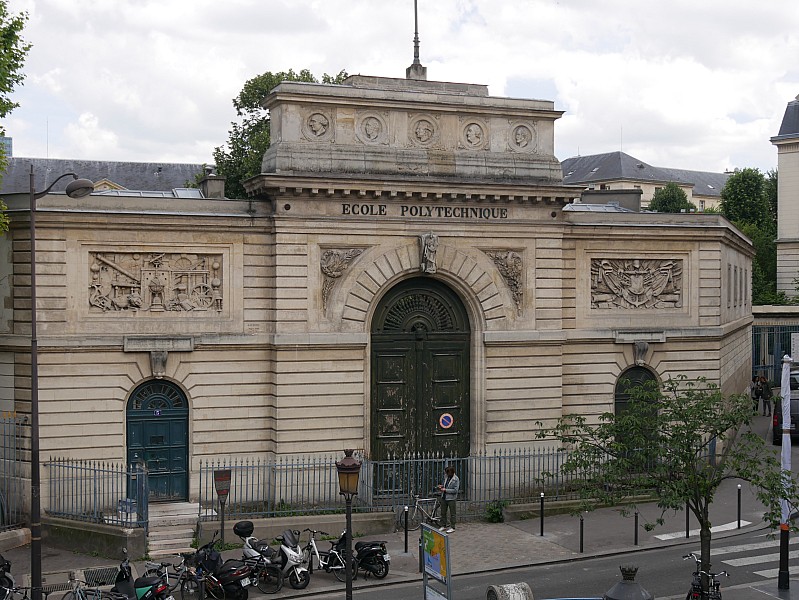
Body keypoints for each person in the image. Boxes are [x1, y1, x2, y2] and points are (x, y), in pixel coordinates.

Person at [437, 465, 459, 533]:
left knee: (452, 513)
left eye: (447, 473)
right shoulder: (446, 477)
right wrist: (442, 486)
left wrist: (445, 490)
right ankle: (443, 525)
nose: (446, 474)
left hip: (451, 499)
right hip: (444, 497)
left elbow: (455, 490)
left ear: (451, 472)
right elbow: (446, 484)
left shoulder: (456, 479)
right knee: (443, 512)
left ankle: (452, 527)